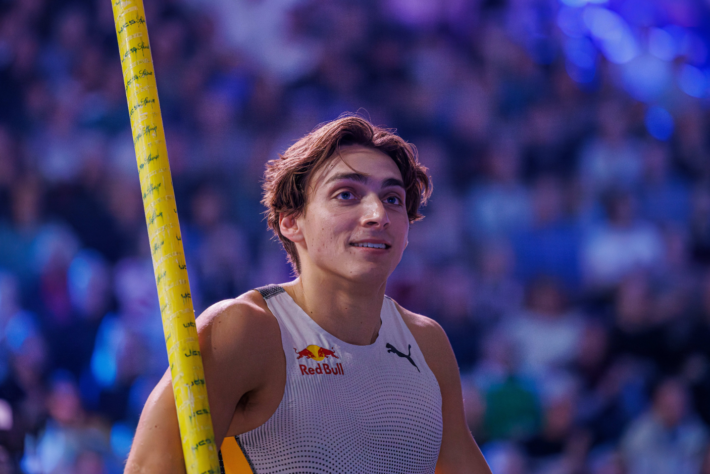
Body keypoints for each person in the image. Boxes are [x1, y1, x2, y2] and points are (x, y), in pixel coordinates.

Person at [124, 116, 492, 473]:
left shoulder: (427, 344)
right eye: (346, 194)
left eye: (393, 199)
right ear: (291, 221)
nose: (378, 213)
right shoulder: (244, 330)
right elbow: (148, 468)